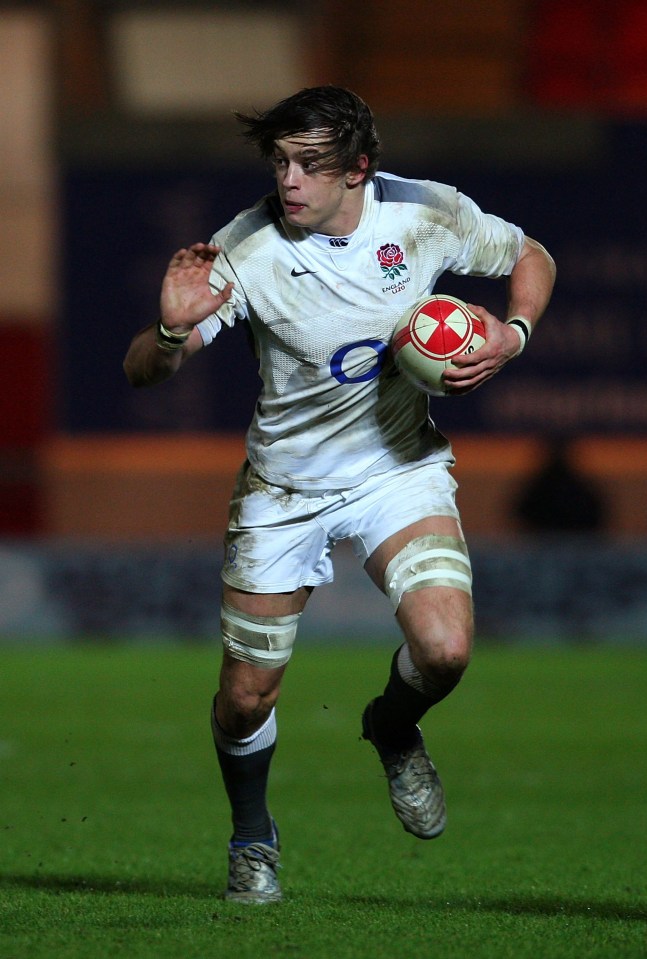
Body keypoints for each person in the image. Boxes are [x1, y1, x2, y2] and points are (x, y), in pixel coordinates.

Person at [123, 85, 556, 904]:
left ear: (359, 169)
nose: (287, 180)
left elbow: (531, 254)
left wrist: (512, 331)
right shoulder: (243, 250)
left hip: (397, 468)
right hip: (284, 486)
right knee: (246, 695)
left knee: (446, 650)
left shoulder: (424, 213)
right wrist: (174, 331)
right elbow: (142, 370)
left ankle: (390, 727)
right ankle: (253, 835)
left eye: (309, 165)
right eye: (280, 161)